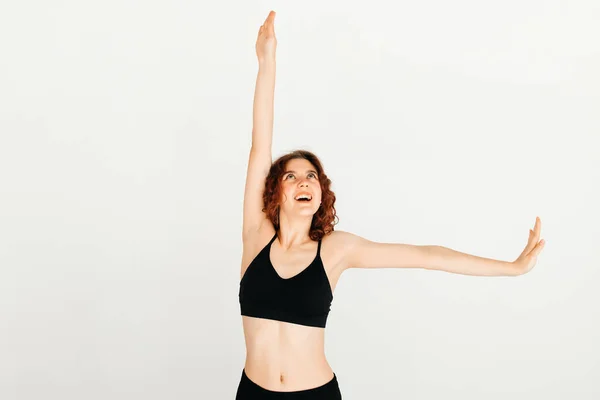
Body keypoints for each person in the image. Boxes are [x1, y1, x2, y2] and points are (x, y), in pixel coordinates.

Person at [236, 11, 546, 399]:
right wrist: (267, 63)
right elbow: (259, 145)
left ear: (320, 194)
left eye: (312, 176)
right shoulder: (256, 234)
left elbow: (426, 255)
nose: (304, 181)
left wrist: (512, 268)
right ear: (274, 192)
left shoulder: (335, 250)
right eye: (292, 176)